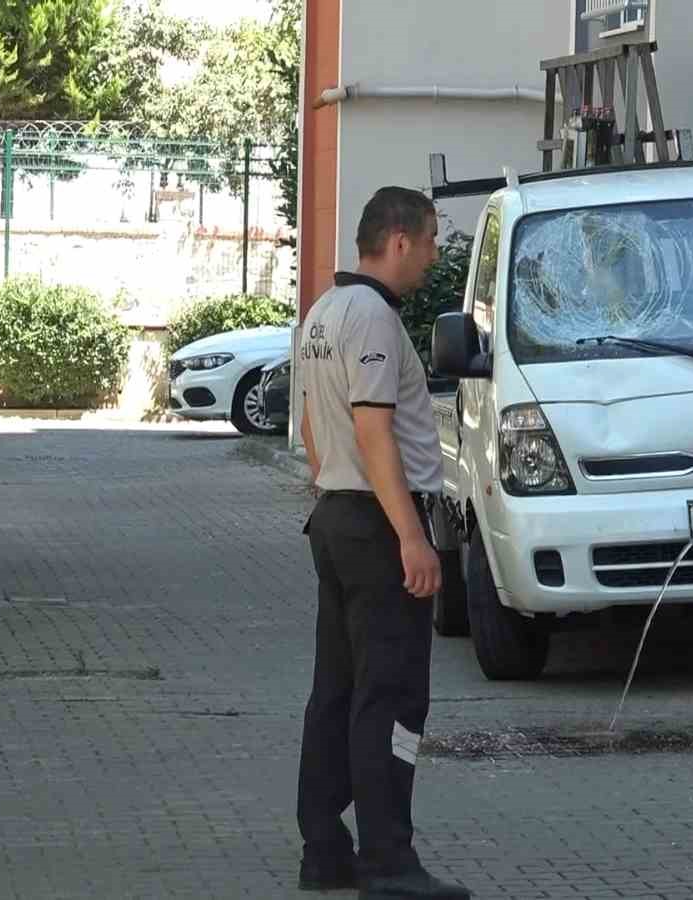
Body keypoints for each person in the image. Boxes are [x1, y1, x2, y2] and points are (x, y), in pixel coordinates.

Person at [294, 186, 471, 899]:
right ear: (398, 240)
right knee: (390, 696)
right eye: (430, 241)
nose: (432, 257)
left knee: (335, 693)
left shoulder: (324, 312)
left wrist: (337, 493)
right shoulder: (370, 316)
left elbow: (312, 428)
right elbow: (373, 432)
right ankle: (388, 860)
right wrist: (411, 538)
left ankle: (325, 849)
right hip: (376, 524)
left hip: (338, 516)